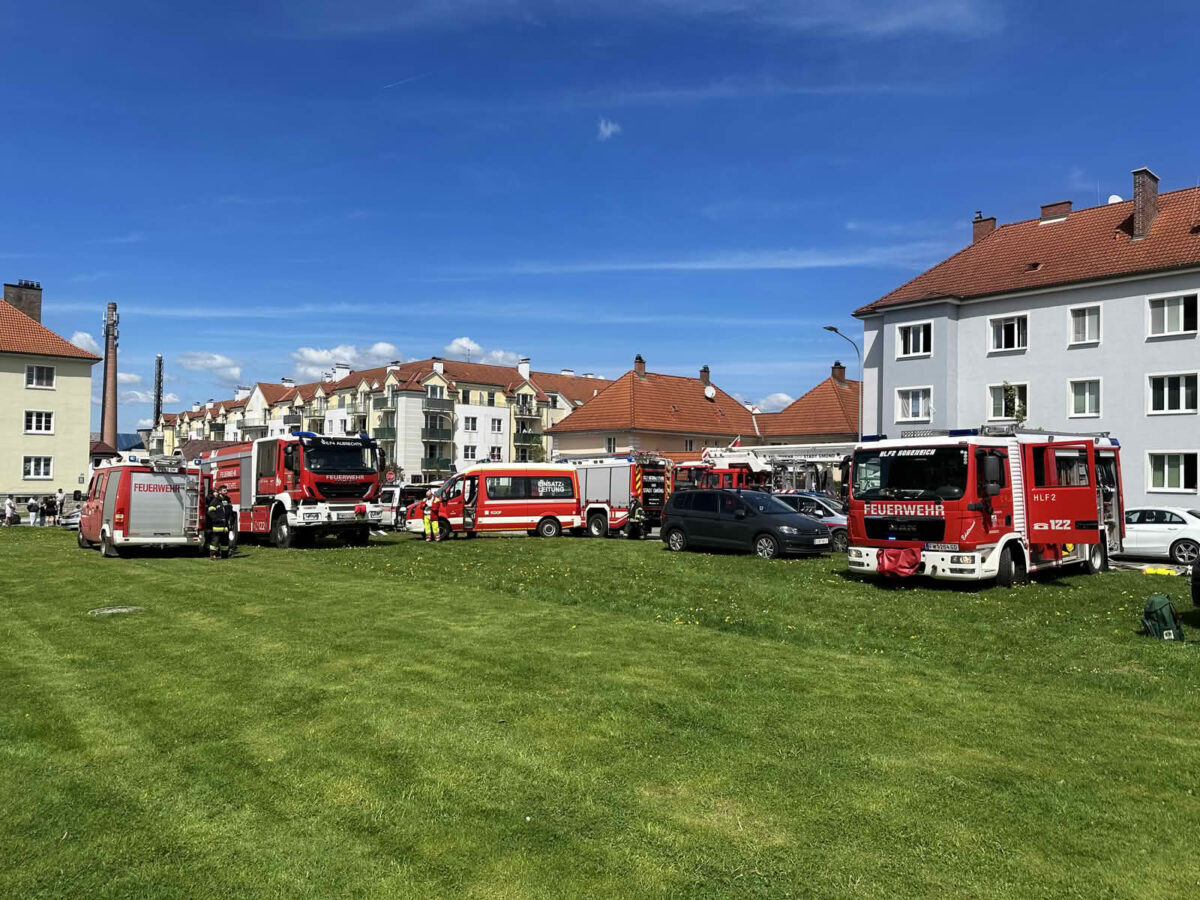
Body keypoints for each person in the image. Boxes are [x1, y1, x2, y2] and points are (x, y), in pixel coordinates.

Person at [206, 485, 235, 559]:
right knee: (215, 542)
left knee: (225, 542)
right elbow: (210, 512)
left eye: (226, 490)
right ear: (220, 492)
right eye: (224, 490)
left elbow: (230, 512)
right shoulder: (215, 501)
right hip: (217, 526)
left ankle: (224, 555)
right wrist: (217, 519)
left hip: (226, 526)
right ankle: (213, 555)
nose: (226, 491)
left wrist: (231, 521)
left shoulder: (227, 500)